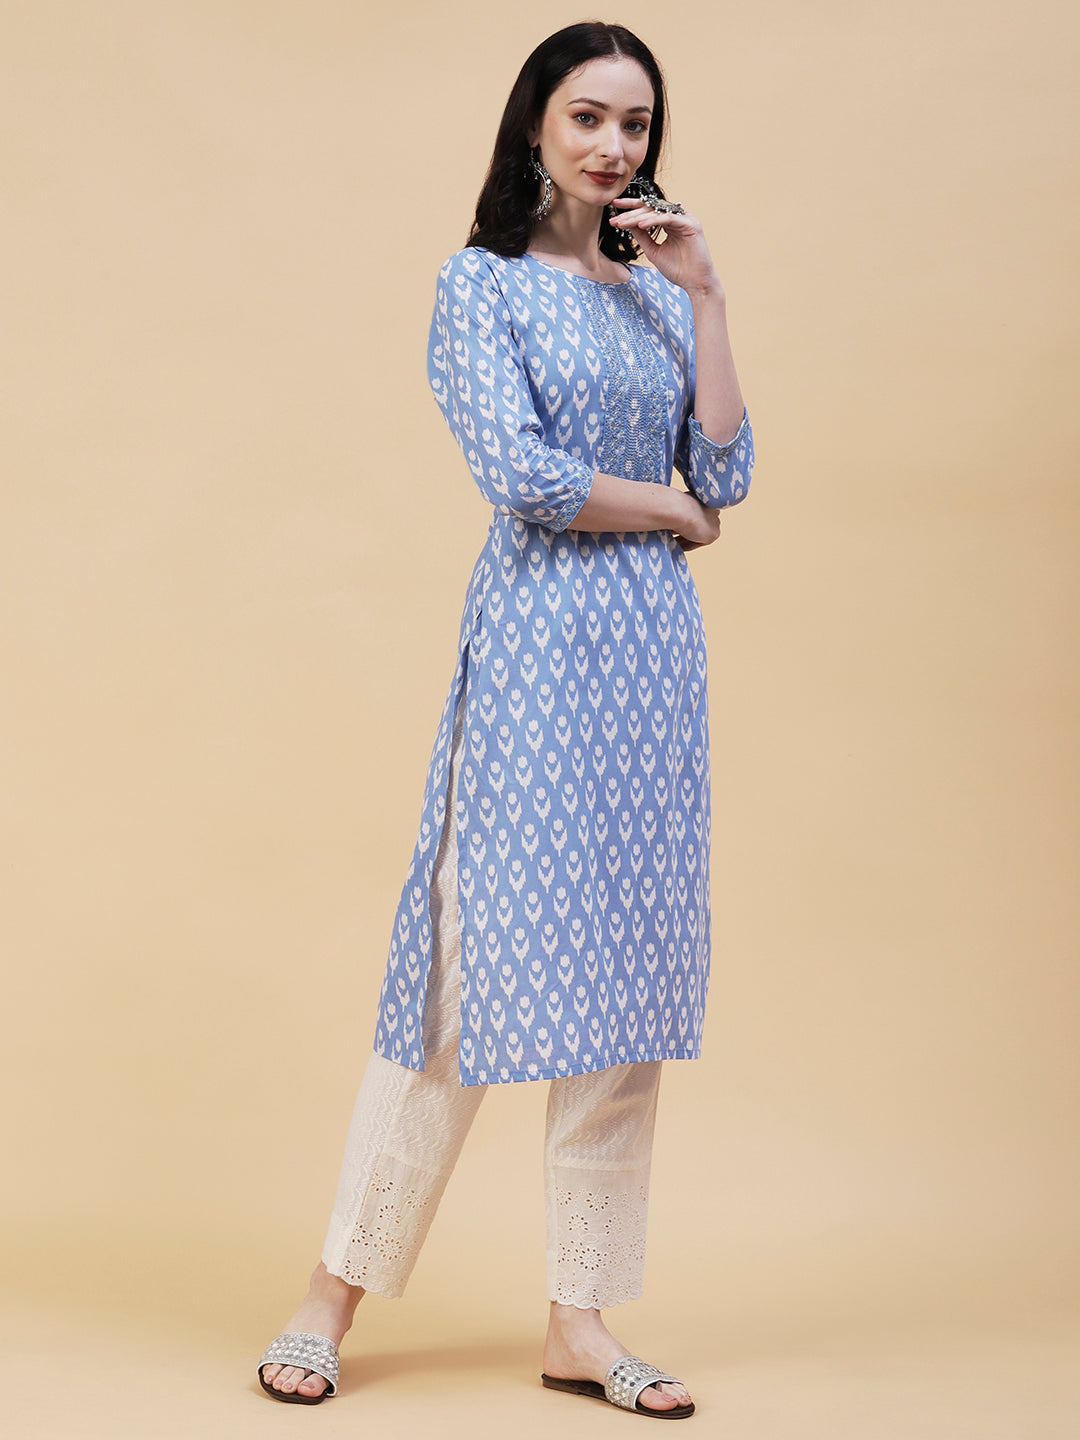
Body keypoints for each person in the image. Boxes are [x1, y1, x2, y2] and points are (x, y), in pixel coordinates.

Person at [257, 19, 753, 1420]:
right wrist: (668, 513)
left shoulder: (660, 295)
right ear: (535, 122)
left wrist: (710, 296)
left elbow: (730, 468)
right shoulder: (479, 285)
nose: (613, 146)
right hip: (541, 651)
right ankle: (330, 1293)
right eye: (587, 116)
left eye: (636, 124)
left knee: (627, 996)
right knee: (468, 973)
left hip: (653, 672)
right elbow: (528, 478)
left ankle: (580, 1322)